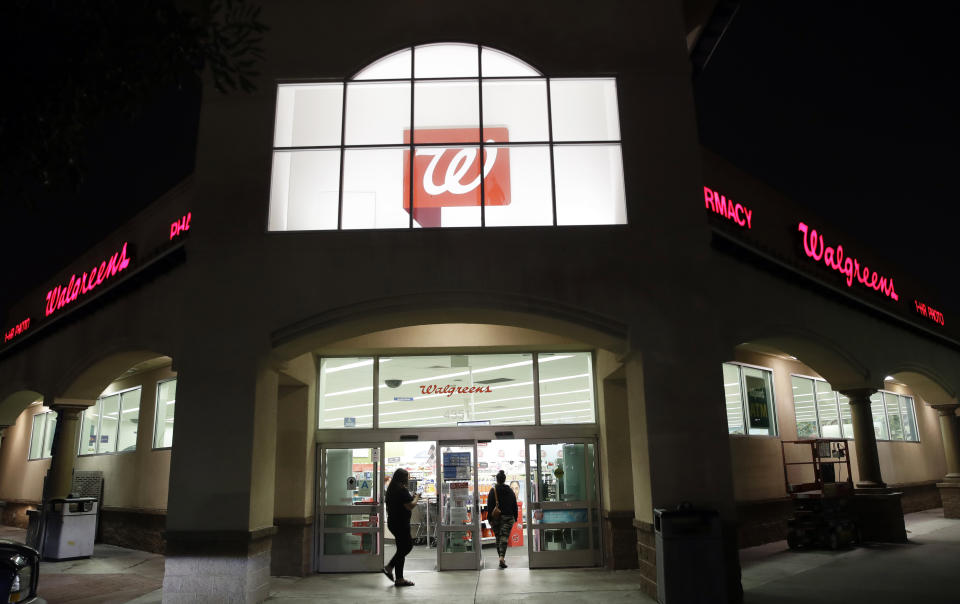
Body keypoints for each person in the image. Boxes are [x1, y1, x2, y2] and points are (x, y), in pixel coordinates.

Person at [384, 468, 420, 587]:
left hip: (393, 522)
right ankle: (389, 567)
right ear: (403, 478)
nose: (408, 479)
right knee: (407, 546)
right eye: (407, 477)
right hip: (401, 523)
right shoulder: (401, 490)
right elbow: (410, 505)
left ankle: (399, 579)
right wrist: (416, 497)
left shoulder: (391, 489)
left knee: (401, 549)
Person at [485, 470, 518, 568]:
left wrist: (489, 519)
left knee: (498, 538)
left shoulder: (493, 491)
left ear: (497, 479)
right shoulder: (510, 491)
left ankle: (501, 557)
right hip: (508, 518)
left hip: (496, 518)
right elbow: (514, 505)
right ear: (504, 480)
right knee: (504, 538)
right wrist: (515, 517)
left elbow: (489, 506)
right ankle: (502, 558)